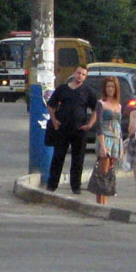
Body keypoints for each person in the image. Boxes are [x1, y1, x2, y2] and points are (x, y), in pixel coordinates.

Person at [46, 65, 97, 193]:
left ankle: (76, 186)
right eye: (79, 73)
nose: (80, 76)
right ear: (74, 73)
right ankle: (52, 185)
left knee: (78, 159)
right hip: (62, 128)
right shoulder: (63, 89)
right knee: (58, 157)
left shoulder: (87, 91)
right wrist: (54, 120)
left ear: (85, 77)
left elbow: (97, 108)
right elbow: (51, 105)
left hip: (79, 130)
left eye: (83, 74)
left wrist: (90, 124)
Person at [92, 75, 123, 206]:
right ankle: (100, 203)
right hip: (105, 138)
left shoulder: (119, 106)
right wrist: (103, 146)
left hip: (116, 139)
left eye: (112, 86)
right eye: (108, 86)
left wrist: (122, 145)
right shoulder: (101, 104)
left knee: (110, 172)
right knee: (102, 172)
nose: (110, 89)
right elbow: (98, 125)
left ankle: (105, 200)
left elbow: (120, 125)